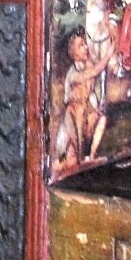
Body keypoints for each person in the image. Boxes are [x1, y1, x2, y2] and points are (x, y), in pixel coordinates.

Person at [53, 27, 114, 170]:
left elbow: (96, 77)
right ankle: (79, 158)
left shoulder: (88, 65)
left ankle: (91, 155)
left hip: (86, 109)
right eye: (81, 45)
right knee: (71, 159)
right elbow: (94, 72)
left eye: (85, 44)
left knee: (102, 119)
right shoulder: (73, 75)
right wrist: (108, 54)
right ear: (74, 53)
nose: (86, 47)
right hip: (74, 115)